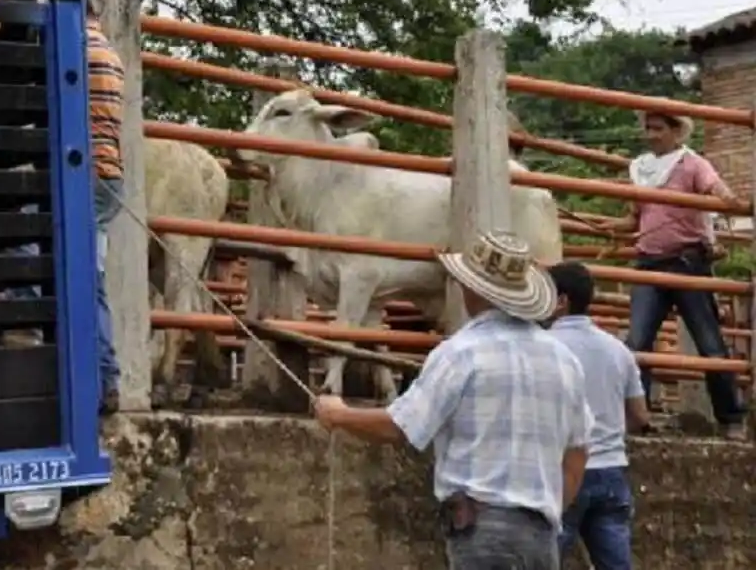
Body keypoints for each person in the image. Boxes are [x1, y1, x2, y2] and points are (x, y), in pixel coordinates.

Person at [313, 230, 592, 570]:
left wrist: (340, 415)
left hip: (481, 528)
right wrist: (550, 509)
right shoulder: (564, 361)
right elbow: (577, 453)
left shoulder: (461, 352)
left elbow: (400, 426)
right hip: (540, 533)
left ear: (471, 288)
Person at [611, 110, 746, 438]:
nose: (651, 135)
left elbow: (718, 190)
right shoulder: (642, 169)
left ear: (676, 132)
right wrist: (609, 227)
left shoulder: (693, 164)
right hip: (649, 262)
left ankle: (731, 419)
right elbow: (634, 219)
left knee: (710, 343)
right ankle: (637, 418)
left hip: (687, 262)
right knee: (637, 343)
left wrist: (734, 202)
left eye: (658, 128)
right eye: (648, 128)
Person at [45, 0, 124, 414]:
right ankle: (102, 377)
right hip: (108, 176)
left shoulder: (73, 46)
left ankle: (100, 375)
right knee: (90, 273)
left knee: (82, 276)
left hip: (86, 176)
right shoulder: (106, 48)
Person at [547, 262, 649, 570]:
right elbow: (640, 416)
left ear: (561, 301)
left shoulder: (544, 348)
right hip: (611, 470)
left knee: (545, 558)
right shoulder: (618, 350)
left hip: (560, 470)